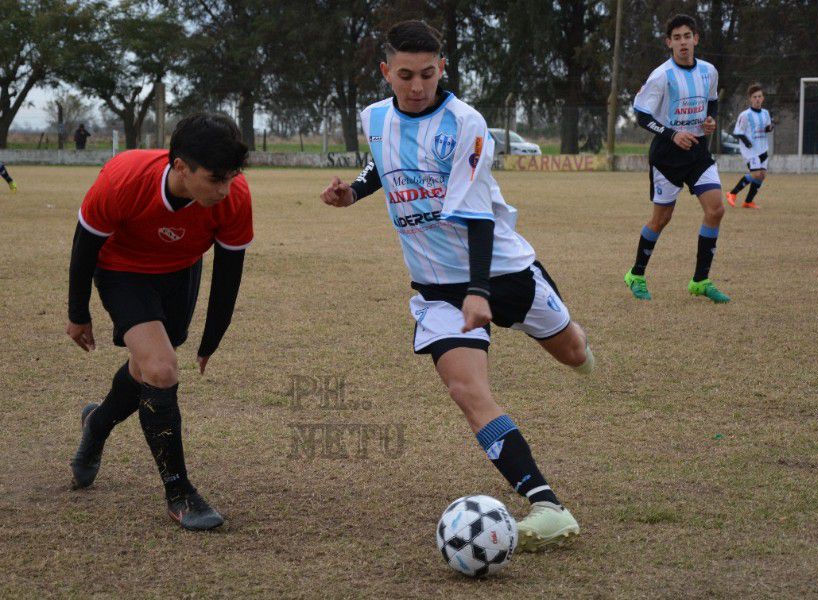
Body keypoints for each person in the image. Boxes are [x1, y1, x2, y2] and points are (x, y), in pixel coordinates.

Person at [320, 20, 592, 552]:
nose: (416, 86)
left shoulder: (467, 122)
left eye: (427, 73)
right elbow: (384, 163)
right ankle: (546, 503)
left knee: (573, 352)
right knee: (468, 392)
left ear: (442, 68)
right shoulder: (376, 116)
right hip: (436, 287)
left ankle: (578, 346)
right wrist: (353, 192)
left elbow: (477, 214)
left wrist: (480, 290)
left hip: (504, 274)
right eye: (404, 75)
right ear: (386, 73)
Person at [66, 113, 253, 531]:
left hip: (180, 273)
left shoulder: (233, 194)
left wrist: (211, 339)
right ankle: (179, 492)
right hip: (122, 271)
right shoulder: (124, 178)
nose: (226, 189)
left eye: (232, 177)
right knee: (162, 369)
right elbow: (84, 245)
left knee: (147, 368)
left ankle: (97, 423)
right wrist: (78, 313)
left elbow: (228, 273)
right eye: (216, 179)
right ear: (181, 167)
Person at [624, 13, 729, 304]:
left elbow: (712, 103)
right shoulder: (661, 76)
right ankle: (636, 274)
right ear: (669, 43)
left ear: (696, 39)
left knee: (716, 210)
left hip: (697, 153)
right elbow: (642, 115)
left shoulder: (709, 71)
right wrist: (671, 134)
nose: (683, 42)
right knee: (661, 219)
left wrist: (710, 121)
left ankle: (700, 280)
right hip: (667, 157)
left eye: (688, 36)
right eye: (677, 38)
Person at [727, 84, 773, 209]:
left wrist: (770, 128)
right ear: (750, 99)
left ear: (763, 98)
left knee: (762, 175)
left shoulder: (765, 113)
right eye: (754, 97)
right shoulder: (745, 115)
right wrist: (747, 143)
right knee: (755, 174)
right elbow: (737, 132)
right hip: (750, 151)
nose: (757, 99)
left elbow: (767, 128)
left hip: (763, 148)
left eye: (759, 96)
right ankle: (732, 193)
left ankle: (748, 202)